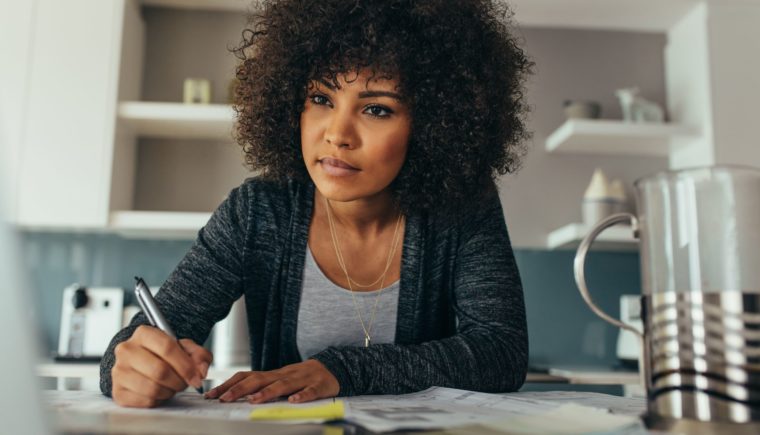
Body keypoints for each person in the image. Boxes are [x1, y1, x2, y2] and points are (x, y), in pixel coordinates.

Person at [100, 0, 532, 408]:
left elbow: (501, 351)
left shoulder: (461, 211)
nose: (337, 133)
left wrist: (343, 370)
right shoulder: (257, 213)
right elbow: (130, 352)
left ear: (434, 125)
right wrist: (133, 365)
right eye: (322, 99)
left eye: (377, 109)